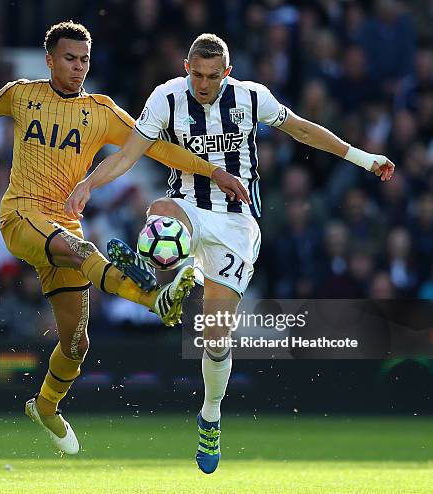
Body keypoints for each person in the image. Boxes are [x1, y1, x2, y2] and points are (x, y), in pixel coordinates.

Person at [0, 22, 247, 456]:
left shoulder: (101, 111)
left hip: (63, 224)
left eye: (85, 59)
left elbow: (156, 148)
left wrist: (214, 170)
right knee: (83, 250)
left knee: (75, 343)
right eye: (70, 59)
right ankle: (154, 300)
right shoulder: (22, 94)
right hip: (22, 215)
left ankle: (45, 406)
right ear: (49, 59)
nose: (78, 68)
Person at [65, 33, 395, 473]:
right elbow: (128, 155)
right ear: (186, 68)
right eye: (196, 74)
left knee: (215, 339)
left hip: (236, 224)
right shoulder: (166, 97)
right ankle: (164, 275)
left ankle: (211, 415)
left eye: (212, 76)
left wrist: (362, 157)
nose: (203, 84)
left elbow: (301, 128)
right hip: (186, 206)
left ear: (228, 72)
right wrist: (89, 182)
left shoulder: (251, 98)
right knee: (161, 214)